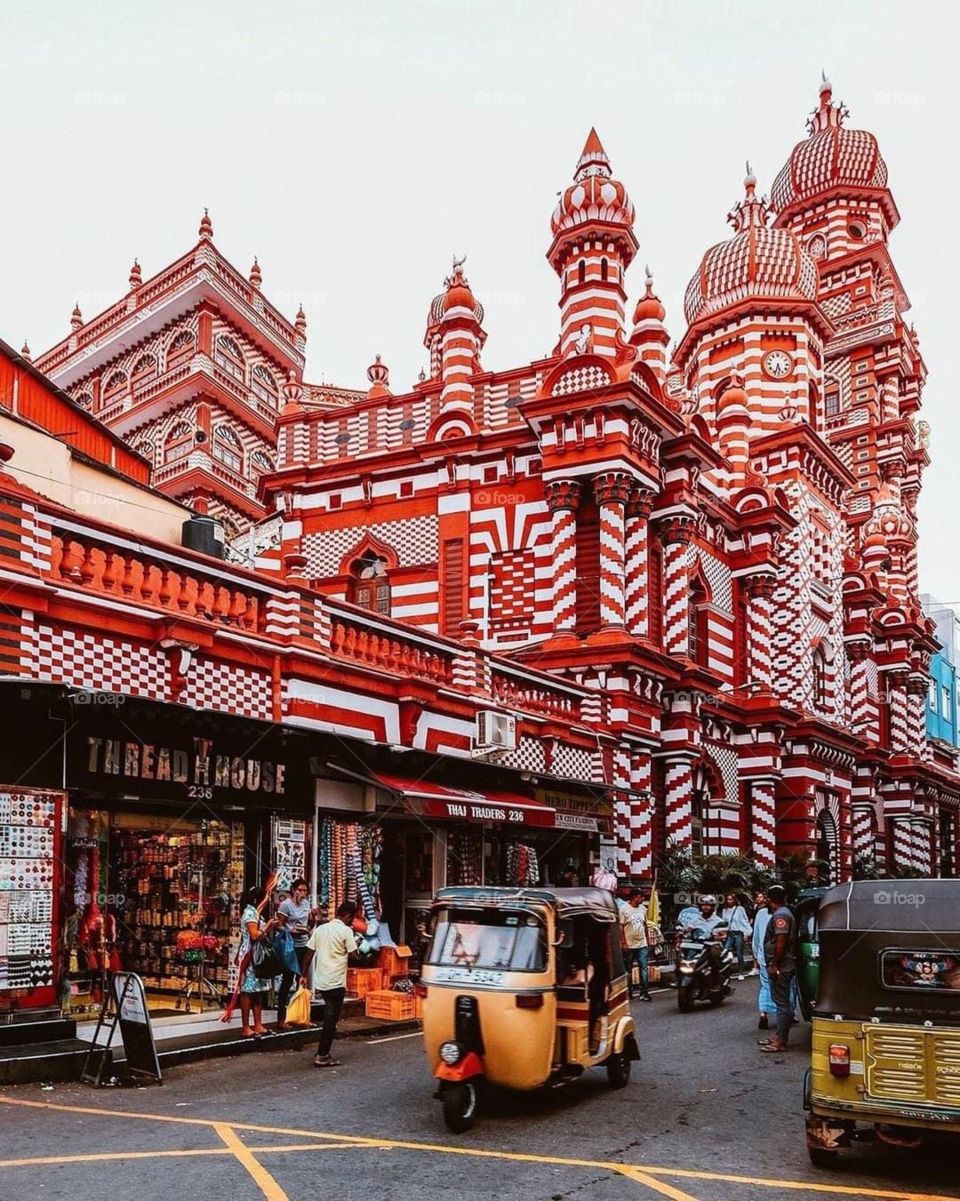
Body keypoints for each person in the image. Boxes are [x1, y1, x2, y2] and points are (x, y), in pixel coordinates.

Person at [300, 901, 358, 1068]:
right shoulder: (346, 931)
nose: (352, 921)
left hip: (322, 980)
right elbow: (354, 955)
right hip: (336, 981)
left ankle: (323, 1052)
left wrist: (303, 975)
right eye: (352, 918)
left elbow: (308, 953)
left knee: (329, 1016)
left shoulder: (321, 929)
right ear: (348, 916)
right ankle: (322, 1055)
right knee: (331, 1019)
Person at [238, 886, 282, 1039]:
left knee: (258, 991)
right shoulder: (250, 914)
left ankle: (258, 1023)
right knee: (247, 991)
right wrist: (268, 926)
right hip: (250, 956)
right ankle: (245, 1026)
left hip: (257, 955)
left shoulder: (256, 913)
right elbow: (254, 935)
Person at [759, 884, 797, 1054]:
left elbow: (781, 941)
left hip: (782, 966)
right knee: (780, 1001)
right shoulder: (782, 913)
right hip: (782, 964)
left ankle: (781, 1041)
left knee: (782, 1003)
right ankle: (778, 1036)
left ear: (770, 899)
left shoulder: (781, 915)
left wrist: (774, 964)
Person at [276, 878, 316, 1030]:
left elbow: (310, 925)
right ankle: (281, 1018)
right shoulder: (286, 905)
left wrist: (313, 917)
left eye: (305, 891)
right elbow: (279, 925)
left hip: (303, 944)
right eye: (299, 890)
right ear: (293, 890)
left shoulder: (306, 904)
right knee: (287, 981)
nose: (302, 893)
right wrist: (290, 930)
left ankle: (302, 1017)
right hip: (290, 946)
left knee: (303, 980)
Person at [618, 887, 652, 1001]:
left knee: (644, 968)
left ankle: (645, 992)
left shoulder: (643, 909)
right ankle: (629, 991)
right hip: (629, 944)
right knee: (628, 969)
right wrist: (623, 942)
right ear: (634, 897)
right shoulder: (624, 909)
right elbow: (621, 927)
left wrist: (647, 939)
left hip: (642, 943)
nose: (642, 899)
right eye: (640, 897)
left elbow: (645, 925)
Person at [750, 890, 775, 1030]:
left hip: (763, 957)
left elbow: (755, 938)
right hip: (780, 959)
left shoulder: (760, 914)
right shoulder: (785, 913)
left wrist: (756, 955)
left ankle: (763, 1013)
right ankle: (789, 1014)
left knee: (765, 986)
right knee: (786, 988)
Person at [721, 892, 752, 979]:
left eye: (731, 899)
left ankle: (740, 973)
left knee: (739, 953)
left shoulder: (740, 909)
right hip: (730, 933)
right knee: (725, 950)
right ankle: (727, 971)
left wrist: (746, 933)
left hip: (739, 933)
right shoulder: (725, 910)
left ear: (734, 900)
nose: (729, 901)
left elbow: (745, 920)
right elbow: (724, 922)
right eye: (727, 899)